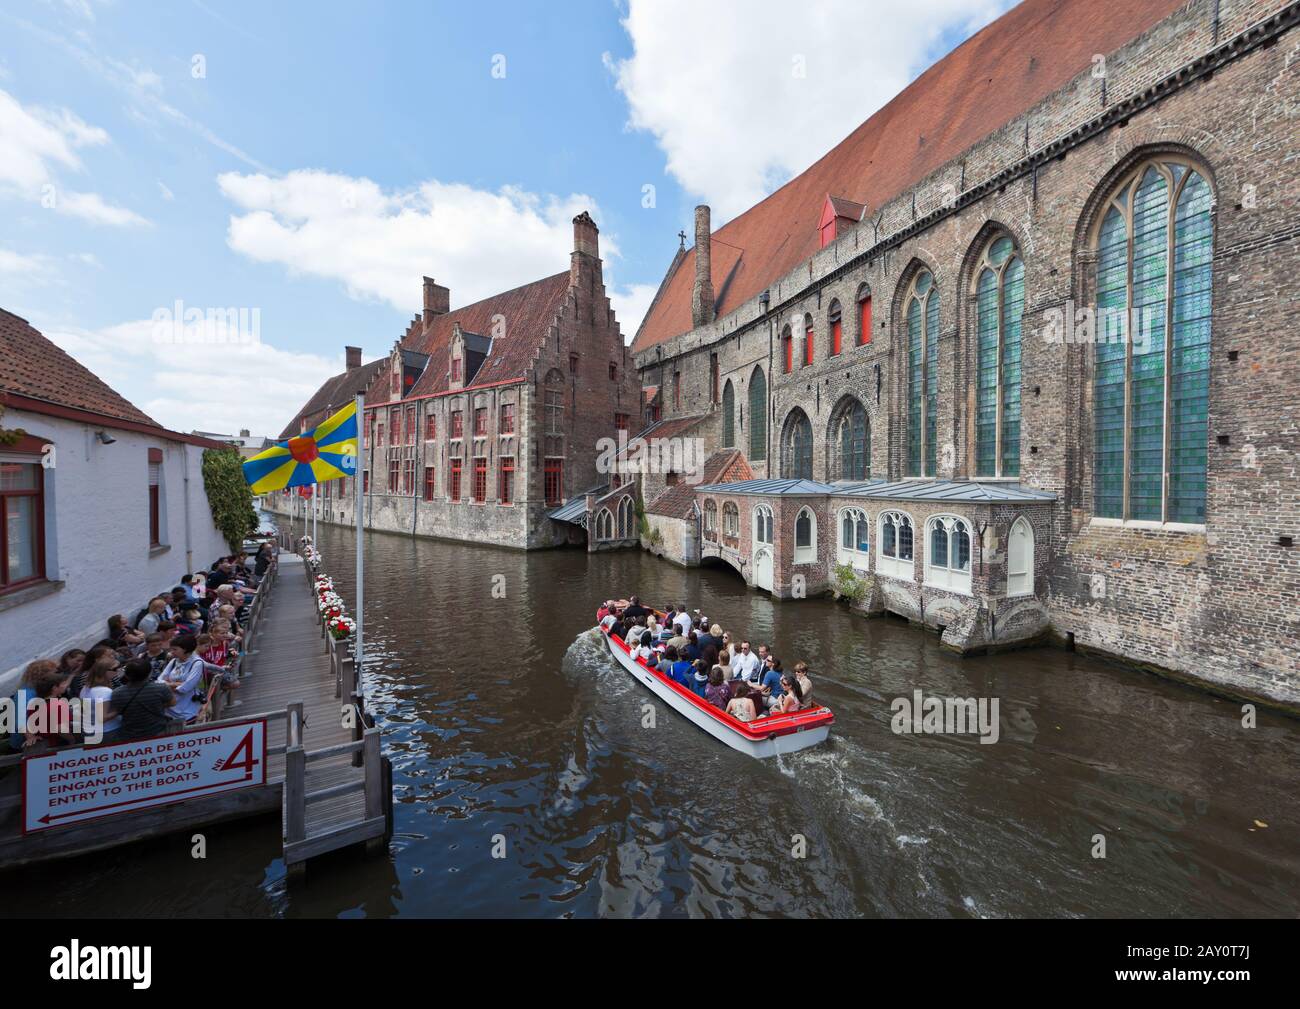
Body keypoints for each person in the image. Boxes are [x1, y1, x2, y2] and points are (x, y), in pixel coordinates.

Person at [108, 658, 176, 742]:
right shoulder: (161, 688)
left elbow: (118, 710)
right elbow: (173, 703)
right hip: (157, 732)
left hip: (129, 735)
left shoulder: (117, 693)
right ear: (149, 673)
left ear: (126, 675)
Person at [158, 634, 208, 724]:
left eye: (175, 649)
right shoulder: (174, 661)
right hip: (169, 709)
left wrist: (168, 684)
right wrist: (175, 684)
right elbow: (158, 681)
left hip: (187, 710)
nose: (171, 652)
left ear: (185, 649)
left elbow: (184, 688)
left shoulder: (197, 663)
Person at [81, 656, 123, 741]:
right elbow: (102, 718)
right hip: (108, 730)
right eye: (115, 668)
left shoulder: (85, 688)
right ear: (105, 671)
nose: (119, 670)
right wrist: (120, 710)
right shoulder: (104, 691)